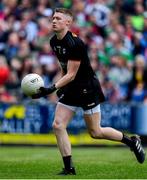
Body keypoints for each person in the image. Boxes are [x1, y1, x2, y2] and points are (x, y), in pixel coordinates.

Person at [32, 8, 146, 175]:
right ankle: (69, 168)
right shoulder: (54, 42)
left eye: (58, 18)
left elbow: (72, 74)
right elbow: (64, 68)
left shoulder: (75, 43)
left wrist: (52, 87)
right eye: (53, 18)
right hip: (71, 88)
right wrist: (60, 86)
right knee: (58, 125)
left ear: (67, 23)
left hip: (87, 88)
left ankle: (132, 141)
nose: (54, 21)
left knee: (95, 132)